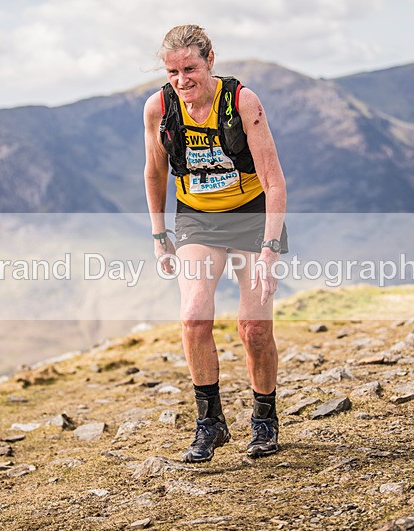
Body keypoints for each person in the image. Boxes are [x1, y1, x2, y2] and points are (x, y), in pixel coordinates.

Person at [143, 24, 289, 462]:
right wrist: (158, 235)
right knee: (193, 317)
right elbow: (155, 173)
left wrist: (270, 250)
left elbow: (274, 182)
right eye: (172, 71)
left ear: (210, 61)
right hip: (197, 219)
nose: (182, 80)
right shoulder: (159, 107)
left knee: (255, 328)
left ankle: (264, 419)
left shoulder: (242, 101)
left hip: (250, 214)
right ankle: (210, 422)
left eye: (190, 68)